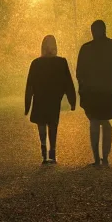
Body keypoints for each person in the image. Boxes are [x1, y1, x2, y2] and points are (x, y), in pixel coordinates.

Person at [77, 20, 112, 167]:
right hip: (106, 91)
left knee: (95, 122)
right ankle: (105, 158)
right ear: (105, 30)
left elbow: (79, 73)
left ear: (93, 31)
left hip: (92, 92)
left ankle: (97, 158)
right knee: (105, 123)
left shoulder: (86, 48)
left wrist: (82, 91)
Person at [25, 35, 76, 164]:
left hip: (40, 99)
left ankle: (44, 152)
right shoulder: (61, 62)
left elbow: (30, 85)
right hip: (53, 100)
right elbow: (68, 83)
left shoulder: (36, 63)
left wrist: (27, 105)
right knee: (53, 126)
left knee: (41, 125)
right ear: (55, 46)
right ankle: (52, 153)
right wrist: (72, 100)